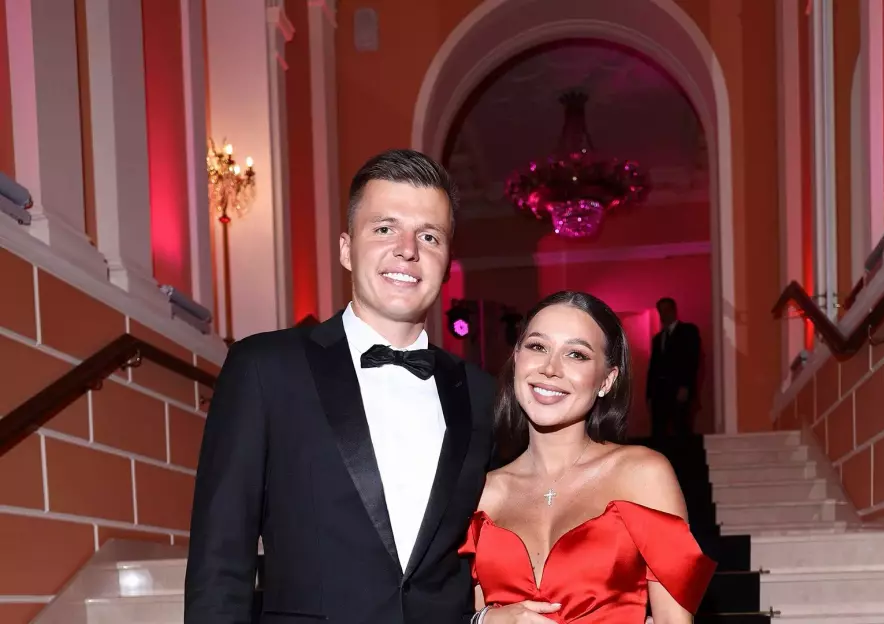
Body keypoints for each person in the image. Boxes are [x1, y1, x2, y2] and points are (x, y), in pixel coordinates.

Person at [184, 149, 496, 624]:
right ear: (347, 250)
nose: (407, 249)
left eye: (429, 236)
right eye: (385, 228)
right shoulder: (265, 368)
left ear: (447, 261)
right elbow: (220, 560)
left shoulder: (481, 393)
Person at [460, 291, 716, 624]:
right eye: (537, 347)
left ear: (607, 381)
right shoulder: (482, 493)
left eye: (576, 354)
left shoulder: (641, 475)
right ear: (517, 359)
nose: (550, 368)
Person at [646, 297, 701, 440]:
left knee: (681, 427)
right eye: (661, 311)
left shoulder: (688, 331)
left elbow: (692, 360)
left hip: (678, 388)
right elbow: (654, 367)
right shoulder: (658, 339)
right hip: (660, 392)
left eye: (666, 310)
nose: (663, 314)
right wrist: (649, 394)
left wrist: (685, 386)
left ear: (673, 311)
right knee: (659, 430)